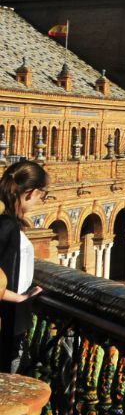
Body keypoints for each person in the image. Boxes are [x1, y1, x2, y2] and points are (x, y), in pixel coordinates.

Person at [0, 160, 49, 373]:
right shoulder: (6, 225)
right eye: (42, 196)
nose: (40, 201)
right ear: (30, 193)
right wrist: (18, 298)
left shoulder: (7, 222)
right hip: (7, 323)